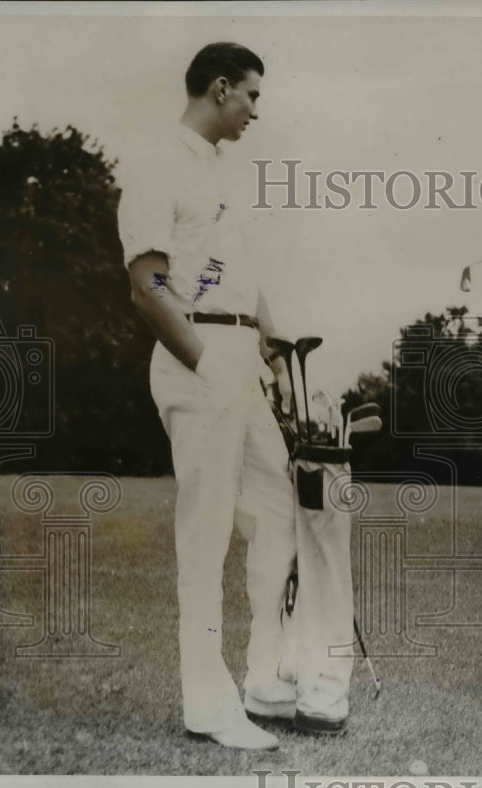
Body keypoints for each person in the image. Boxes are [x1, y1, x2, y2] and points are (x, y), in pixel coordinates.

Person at [118, 42, 301, 749]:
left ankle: (261, 676)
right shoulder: (157, 163)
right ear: (221, 88)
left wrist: (273, 346)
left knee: (279, 507)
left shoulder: (223, 172)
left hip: (240, 358)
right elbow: (149, 285)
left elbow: (238, 276)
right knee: (206, 534)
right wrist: (203, 362)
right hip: (194, 359)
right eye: (252, 95)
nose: (257, 110)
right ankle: (206, 700)